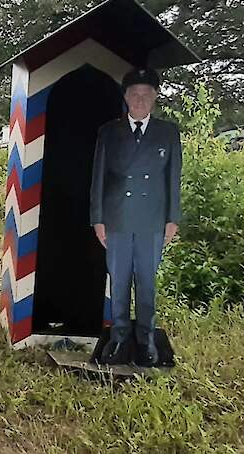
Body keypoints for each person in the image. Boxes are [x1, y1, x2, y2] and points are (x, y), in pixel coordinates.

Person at [91, 68, 182, 368]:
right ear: (126, 96)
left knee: (146, 283)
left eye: (146, 94)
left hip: (152, 221)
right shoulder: (109, 131)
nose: (140, 99)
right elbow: (99, 177)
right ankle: (118, 338)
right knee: (118, 282)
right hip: (116, 220)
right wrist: (98, 218)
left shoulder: (168, 132)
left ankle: (146, 341)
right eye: (134, 93)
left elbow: (173, 178)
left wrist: (172, 218)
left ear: (155, 97)